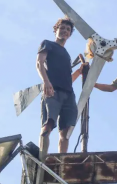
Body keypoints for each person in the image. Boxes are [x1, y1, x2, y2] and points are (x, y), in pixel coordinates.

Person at [36, 17, 85, 154]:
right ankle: (42, 157)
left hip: (68, 94)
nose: (65, 31)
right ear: (56, 30)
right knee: (48, 126)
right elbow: (39, 63)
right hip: (52, 90)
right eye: (62, 28)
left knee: (66, 132)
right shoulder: (48, 44)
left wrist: (79, 71)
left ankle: (62, 159)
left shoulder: (66, 55)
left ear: (70, 34)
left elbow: (67, 79)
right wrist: (46, 82)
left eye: (68, 30)